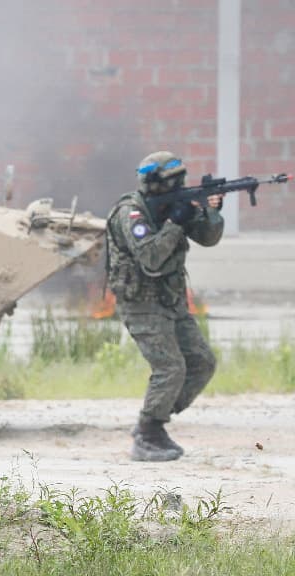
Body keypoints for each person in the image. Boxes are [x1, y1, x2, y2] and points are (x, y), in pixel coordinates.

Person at [106, 151, 224, 462]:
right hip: (141, 303)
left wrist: (211, 212)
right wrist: (175, 222)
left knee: (201, 362)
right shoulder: (131, 213)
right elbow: (150, 258)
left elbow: (208, 238)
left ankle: (154, 418)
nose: (179, 186)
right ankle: (148, 433)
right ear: (153, 183)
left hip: (170, 300)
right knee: (170, 368)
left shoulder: (175, 205)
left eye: (181, 181)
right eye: (172, 182)